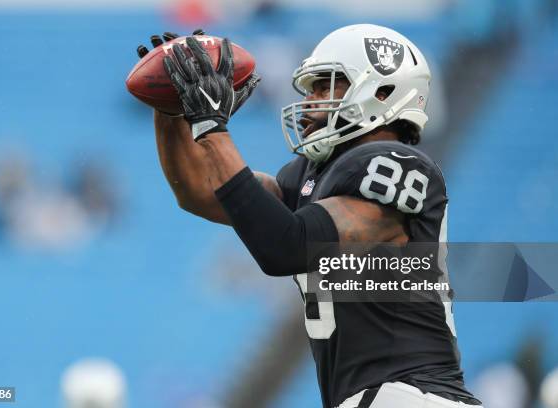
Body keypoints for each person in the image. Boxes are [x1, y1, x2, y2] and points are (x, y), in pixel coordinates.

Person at [137, 24, 482, 408]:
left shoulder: (397, 163)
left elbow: (288, 247)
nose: (310, 101)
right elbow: (201, 190)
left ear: (382, 93)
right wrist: (172, 111)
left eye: (324, 86)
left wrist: (212, 128)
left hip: (409, 394)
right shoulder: (308, 177)